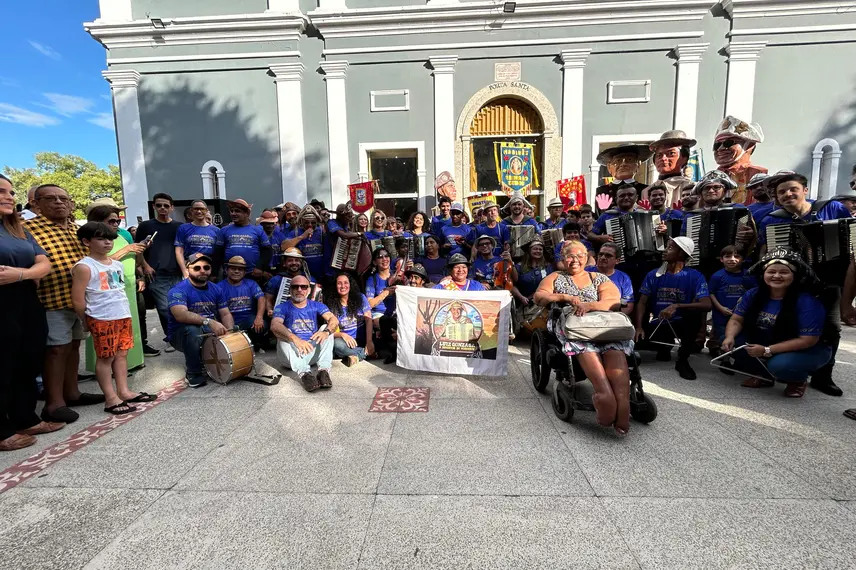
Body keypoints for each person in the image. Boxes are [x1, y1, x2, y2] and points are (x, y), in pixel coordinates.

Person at [756, 170, 852, 397]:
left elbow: (850, 240)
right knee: (787, 323)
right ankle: (790, 368)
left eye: (792, 190)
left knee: (832, 328)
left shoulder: (832, 208)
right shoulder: (773, 220)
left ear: (805, 191)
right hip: (792, 284)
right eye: (781, 192)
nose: (787, 194)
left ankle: (823, 375)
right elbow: (765, 251)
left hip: (829, 281)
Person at [534, 240, 633, 436]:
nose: (575, 260)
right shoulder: (555, 277)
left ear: (587, 259)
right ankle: (604, 393)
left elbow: (613, 301)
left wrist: (589, 306)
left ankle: (622, 402)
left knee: (613, 346)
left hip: (602, 324)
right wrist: (564, 298)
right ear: (563, 258)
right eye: (570, 256)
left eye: (580, 256)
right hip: (571, 325)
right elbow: (540, 297)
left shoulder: (597, 277)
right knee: (582, 344)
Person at [25, 185, 104, 424]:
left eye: (64, 199)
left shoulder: (75, 229)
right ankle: (54, 403)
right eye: (51, 199)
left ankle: (72, 393)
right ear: (36, 204)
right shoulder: (28, 229)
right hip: (51, 300)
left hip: (78, 301)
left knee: (73, 347)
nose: (60, 203)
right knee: (56, 350)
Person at [0, 174, 63, 451]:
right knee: (2, 363)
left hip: (24, 298)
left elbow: (43, 263)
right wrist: (27, 274)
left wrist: (21, 274)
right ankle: (2, 430)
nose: (9, 197)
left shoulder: (17, 229)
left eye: (11, 192)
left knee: (28, 358)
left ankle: (25, 417)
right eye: (2, 192)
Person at [72, 221, 157, 416]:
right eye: (101, 239)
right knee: (105, 358)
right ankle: (110, 398)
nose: (107, 243)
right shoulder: (84, 267)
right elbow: (78, 299)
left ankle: (124, 391)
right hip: (101, 318)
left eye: (110, 239)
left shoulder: (116, 264)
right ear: (86, 241)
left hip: (122, 315)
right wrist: (85, 321)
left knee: (122, 354)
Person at [722, 251, 831, 397]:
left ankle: (797, 380)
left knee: (780, 365)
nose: (777, 276)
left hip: (808, 348)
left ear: (794, 275)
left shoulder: (807, 301)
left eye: (784, 272)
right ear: (763, 274)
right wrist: (729, 337)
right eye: (771, 271)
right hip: (769, 338)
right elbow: (736, 320)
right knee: (734, 341)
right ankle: (763, 375)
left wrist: (767, 350)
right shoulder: (754, 294)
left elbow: (808, 340)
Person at [635, 237, 711, 380]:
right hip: (658, 324)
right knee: (635, 345)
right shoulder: (653, 274)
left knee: (695, 314)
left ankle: (682, 359)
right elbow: (642, 303)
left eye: (670, 248)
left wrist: (677, 306)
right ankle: (664, 347)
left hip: (681, 325)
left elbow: (707, 304)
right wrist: (639, 327)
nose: (664, 250)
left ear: (682, 254)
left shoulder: (695, 276)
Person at [84, 205, 148, 373]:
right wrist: (126, 249)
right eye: (111, 221)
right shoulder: (92, 239)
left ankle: (131, 363)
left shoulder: (121, 235)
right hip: (103, 294)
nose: (115, 224)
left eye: (117, 220)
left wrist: (139, 250)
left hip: (125, 286)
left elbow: (135, 259)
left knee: (127, 331)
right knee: (107, 337)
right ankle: (107, 369)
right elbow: (99, 262)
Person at [167, 253, 234, 388]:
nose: (202, 270)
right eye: (197, 268)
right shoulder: (178, 290)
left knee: (235, 328)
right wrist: (209, 322)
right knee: (193, 330)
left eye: (206, 267)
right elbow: (180, 315)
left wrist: (230, 334)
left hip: (207, 330)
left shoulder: (216, 288)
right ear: (187, 269)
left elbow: (225, 314)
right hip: (181, 335)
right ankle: (193, 372)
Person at [271, 275, 338, 392]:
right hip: (291, 357)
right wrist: (294, 338)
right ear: (290, 289)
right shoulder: (282, 307)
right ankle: (305, 374)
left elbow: (334, 320)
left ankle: (323, 371)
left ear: (309, 290)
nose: (299, 290)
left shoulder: (316, 305)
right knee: (284, 332)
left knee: (326, 328)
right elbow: (275, 325)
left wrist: (325, 332)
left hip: (311, 353)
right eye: (295, 287)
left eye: (303, 287)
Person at [136, 193, 182, 352]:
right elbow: (138, 249)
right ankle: (170, 338)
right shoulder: (146, 226)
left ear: (172, 207)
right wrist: (145, 266)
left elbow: (182, 249)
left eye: (166, 205)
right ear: (154, 207)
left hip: (176, 273)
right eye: (159, 205)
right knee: (164, 308)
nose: (162, 208)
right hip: (156, 273)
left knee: (178, 306)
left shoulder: (178, 226)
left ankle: (177, 336)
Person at [708, 246, 757, 358]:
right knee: (723, 337)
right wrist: (720, 308)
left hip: (741, 316)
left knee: (739, 337)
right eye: (728, 256)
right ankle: (725, 359)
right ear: (721, 259)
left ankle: (736, 358)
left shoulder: (748, 276)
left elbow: (754, 291)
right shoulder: (717, 276)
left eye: (737, 256)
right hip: (721, 315)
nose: (732, 259)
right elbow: (711, 293)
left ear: (743, 259)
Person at [712, 115, 768, 205]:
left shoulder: (757, 174)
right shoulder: (714, 176)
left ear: (749, 146)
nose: (720, 148)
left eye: (728, 143)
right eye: (717, 145)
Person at [324, 272, 374, 366]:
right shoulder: (331, 304)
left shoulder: (361, 298)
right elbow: (329, 330)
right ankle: (364, 353)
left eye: (346, 283)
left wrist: (369, 341)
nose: (343, 286)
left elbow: (368, 320)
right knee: (337, 345)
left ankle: (356, 354)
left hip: (362, 338)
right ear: (335, 286)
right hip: (345, 342)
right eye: (339, 283)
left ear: (350, 284)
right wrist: (343, 335)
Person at [220, 256, 266, 350]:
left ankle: (255, 344)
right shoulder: (219, 287)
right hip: (228, 322)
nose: (237, 271)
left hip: (248, 320)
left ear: (244, 272)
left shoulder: (251, 284)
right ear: (226, 270)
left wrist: (259, 317)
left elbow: (261, 298)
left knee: (263, 324)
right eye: (233, 268)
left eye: (240, 269)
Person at [220, 199, 271, 282]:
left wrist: (259, 268)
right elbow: (218, 253)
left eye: (237, 211)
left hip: (252, 275)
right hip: (230, 276)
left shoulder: (258, 230)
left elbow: (267, 251)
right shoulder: (223, 230)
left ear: (247, 213)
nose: (233, 213)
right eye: (231, 211)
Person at [366, 247, 402, 363]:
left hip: (397, 312)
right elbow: (369, 304)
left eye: (386, 256)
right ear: (374, 262)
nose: (384, 259)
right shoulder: (372, 280)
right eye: (380, 257)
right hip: (378, 314)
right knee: (384, 321)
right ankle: (393, 351)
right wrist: (386, 293)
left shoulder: (398, 276)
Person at [593, 143, 651, 214]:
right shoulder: (602, 191)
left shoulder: (645, 189)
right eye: (617, 161)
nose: (623, 164)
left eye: (629, 160)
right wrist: (603, 211)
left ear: (638, 165)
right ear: (609, 167)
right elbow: (598, 218)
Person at [174, 200, 222, 278]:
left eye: (202, 209)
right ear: (191, 211)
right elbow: (179, 251)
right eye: (196, 209)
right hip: (191, 268)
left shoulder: (216, 230)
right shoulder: (183, 228)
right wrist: (184, 271)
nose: (199, 211)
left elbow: (218, 254)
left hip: (209, 268)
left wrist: (214, 273)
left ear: (206, 210)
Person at [649, 130, 697, 205]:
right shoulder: (646, 191)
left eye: (671, 153)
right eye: (659, 155)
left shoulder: (693, 188)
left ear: (684, 158)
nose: (663, 159)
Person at [586, 242, 634, 316]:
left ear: (617, 260)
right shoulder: (586, 272)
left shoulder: (624, 278)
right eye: (601, 254)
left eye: (608, 256)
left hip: (613, 317)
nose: (602, 258)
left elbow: (628, 305)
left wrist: (614, 318)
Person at [264, 248, 315, 317]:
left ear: (301, 263)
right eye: (290, 260)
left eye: (297, 260)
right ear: (284, 263)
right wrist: (269, 310)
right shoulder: (275, 280)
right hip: (283, 317)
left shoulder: (310, 279)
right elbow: (268, 299)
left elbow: (315, 301)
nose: (294, 263)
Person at [282, 205, 325, 281]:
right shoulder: (295, 232)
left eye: (313, 222)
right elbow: (283, 247)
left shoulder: (321, 231)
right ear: (301, 222)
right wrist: (302, 236)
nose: (310, 225)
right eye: (306, 222)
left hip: (322, 275)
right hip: (303, 276)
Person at [512, 238, 553, 309]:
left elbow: (551, 285)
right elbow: (511, 285)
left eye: (540, 249)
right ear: (529, 251)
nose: (538, 251)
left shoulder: (548, 267)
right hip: (523, 304)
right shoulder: (519, 267)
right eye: (535, 249)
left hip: (543, 304)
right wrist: (521, 297)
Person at [259, 209, 287, 275]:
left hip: (278, 268)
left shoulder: (279, 235)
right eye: (267, 224)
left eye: (272, 224)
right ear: (262, 224)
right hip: (264, 268)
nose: (270, 226)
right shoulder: (258, 236)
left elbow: (285, 246)